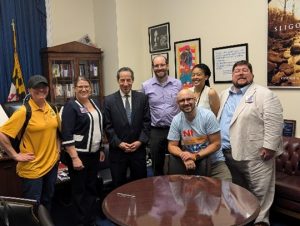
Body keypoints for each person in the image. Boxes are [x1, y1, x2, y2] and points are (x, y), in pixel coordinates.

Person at [217, 60, 283, 226]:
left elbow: (274, 122)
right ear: (232, 76)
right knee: (239, 190)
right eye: (237, 71)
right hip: (228, 152)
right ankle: (245, 218)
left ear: (252, 75)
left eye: (245, 70)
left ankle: (261, 221)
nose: (240, 73)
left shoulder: (264, 94)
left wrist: (269, 146)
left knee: (260, 191)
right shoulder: (224, 94)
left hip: (256, 153)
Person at [0, 75, 60, 210]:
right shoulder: (24, 111)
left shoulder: (52, 108)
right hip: (32, 168)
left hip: (51, 165)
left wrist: (58, 149)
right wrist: (15, 155)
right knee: (32, 206)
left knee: (47, 200)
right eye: (36, 87)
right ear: (29, 91)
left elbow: (57, 132)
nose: (41, 90)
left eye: (43, 87)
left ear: (48, 89)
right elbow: (2, 134)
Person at [61, 76, 105, 226]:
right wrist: (74, 157)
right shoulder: (70, 106)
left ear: (90, 88)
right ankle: (81, 222)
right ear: (74, 89)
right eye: (80, 87)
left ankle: (91, 220)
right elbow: (66, 133)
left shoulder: (95, 102)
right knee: (80, 191)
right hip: (79, 155)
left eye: (86, 86)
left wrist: (100, 149)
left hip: (93, 154)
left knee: (91, 188)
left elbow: (99, 127)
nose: (84, 89)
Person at [167, 89, 231, 181]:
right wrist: (184, 155)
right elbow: (172, 145)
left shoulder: (207, 116)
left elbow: (216, 143)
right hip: (189, 164)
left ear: (195, 99)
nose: (186, 103)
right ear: (178, 103)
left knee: (226, 189)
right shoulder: (176, 120)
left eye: (189, 99)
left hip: (214, 162)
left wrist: (195, 156)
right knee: (185, 192)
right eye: (182, 100)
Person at [104, 67, 151, 187]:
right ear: (118, 81)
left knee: (140, 185)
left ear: (133, 80)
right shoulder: (109, 100)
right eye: (122, 80)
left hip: (138, 151)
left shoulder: (142, 98)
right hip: (118, 152)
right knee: (118, 187)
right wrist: (119, 143)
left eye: (128, 80)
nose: (125, 84)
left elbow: (147, 122)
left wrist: (140, 141)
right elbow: (107, 126)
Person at [142, 54, 182, 176]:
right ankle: (158, 191)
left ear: (167, 66)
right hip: (156, 131)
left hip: (175, 128)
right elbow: (144, 109)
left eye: (162, 65)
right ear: (153, 67)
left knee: (177, 162)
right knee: (156, 164)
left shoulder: (177, 83)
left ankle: (176, 190)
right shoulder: (146, 86)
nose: (160, 68)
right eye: (156, 65)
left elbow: (182, 105)